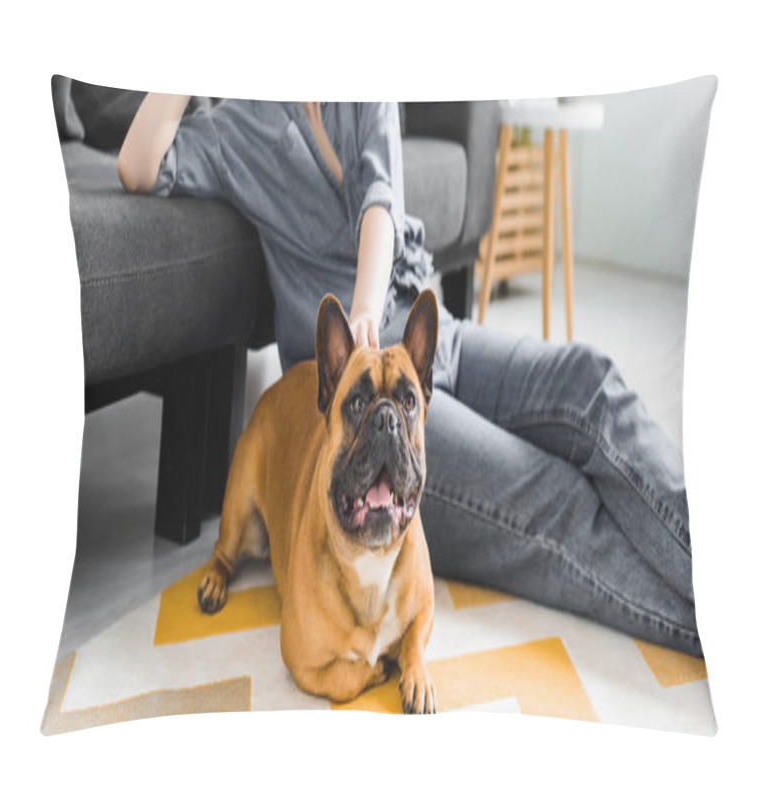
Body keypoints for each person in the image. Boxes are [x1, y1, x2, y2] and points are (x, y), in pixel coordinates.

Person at [119, 96, 702, 657]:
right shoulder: (235, 128)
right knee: (555, 497)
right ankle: (715, 629)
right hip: (362, 416)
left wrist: (367, 311)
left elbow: (380, 205)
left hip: (425, 343)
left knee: (592, 383)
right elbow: (138, 167)